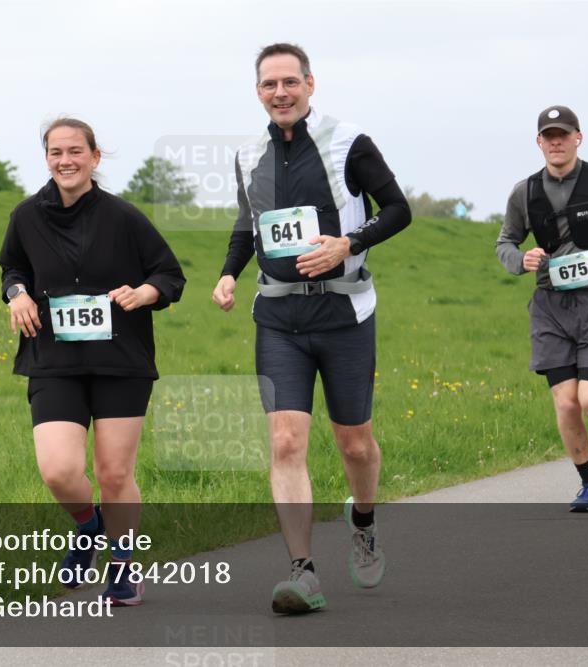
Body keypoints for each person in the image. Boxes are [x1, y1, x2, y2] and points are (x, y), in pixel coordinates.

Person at [212, 43, 411, 613]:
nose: (281, 93)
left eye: (290, 83)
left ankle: (365, 521)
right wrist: (228, 275)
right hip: (277, 318)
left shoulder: (349, 142)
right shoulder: (249, 154)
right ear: (257, 92)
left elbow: (397, 209)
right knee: (286, 440)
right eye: (269, 85)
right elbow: (248, 226)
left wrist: (350, 243)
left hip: (345, 315)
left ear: (310, 84)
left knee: (354, 442)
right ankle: (303, 572)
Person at [0, 118, 185, 605]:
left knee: (114, 474)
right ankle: (89, 525)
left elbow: (168, 275)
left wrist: (145, 292)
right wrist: (16, 293)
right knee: (59, 470)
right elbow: (12, 267)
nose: (66, 160)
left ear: (95, 157)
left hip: (119, 360)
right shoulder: (26, 216)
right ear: (46, 159)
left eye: (76, 151)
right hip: (53, 358)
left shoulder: (124, 217)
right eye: (56, 152)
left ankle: (123, 567)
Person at [496, 105, 588, 512]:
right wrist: (520, 260)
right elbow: (505, 242)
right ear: (539, 142)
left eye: (564, 133)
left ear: (579, 137)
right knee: (566, 402)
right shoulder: (524, 192)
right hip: (550, 307)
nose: (556, 141)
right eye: (549, 135)